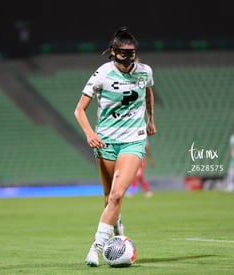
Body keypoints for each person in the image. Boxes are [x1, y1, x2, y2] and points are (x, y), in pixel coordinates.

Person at [74, 26, 156, 267]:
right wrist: (90, 133)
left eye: (132, 53)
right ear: (113, 52)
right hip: (106, 141)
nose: (128, 58)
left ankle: (95, 248)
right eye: (123, 53)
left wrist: (151, 118)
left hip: (133, 139)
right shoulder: (102, 74)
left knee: (118, 194)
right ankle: (117, 228)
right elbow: (79, 110)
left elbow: (148, 93)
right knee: (110, 198)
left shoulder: (145, 72)